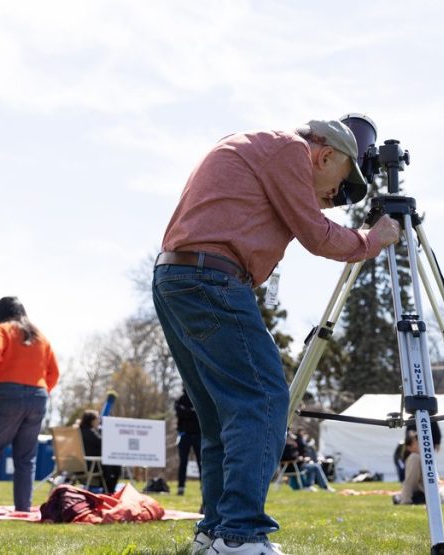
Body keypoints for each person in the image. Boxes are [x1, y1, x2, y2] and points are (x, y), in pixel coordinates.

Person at [152, 118, 399, 555]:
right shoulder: (289, 151)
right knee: (265, 399)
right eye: (338, 187)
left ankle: (214, 533)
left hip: (178, 276)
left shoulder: (254, 145)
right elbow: (317, 235)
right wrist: (372, 239)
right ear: (324, 155)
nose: (332, 202)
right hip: (212, 278)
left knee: (217, 417)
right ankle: (239, 535)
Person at [0, 297, 60, 514]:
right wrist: (40, 391)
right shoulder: (40, 336)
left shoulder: (2, 329)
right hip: (38, 396)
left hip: (7, 393)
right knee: (26, 458)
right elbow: (54, 372)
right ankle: (23, 510)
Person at [78, 410, 122, 493]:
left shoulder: (79, 431)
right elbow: (103, 444)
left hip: (78, 465)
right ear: (91, 420)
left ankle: (108, 490)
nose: (99, 421)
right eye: (97, 419)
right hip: (91, 465)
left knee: (110, 465)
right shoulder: (90, 432)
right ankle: (109, 492)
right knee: (116, 465)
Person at [175, 390, 202, 496]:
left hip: (198, 435)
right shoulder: (181, 399)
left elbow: (201, 412)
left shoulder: (199, 397)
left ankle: (203, 487)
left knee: (201, 463)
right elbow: (179, 412)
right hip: (184, 435)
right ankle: (181, 487)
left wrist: (187, 412)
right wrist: (193, 412)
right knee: (183, 463)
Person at [394, 434, 425, 505]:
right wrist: (406, 500)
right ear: (409, 447)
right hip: (431, 496)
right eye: (417, 442)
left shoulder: (422, 458)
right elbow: (410, 481)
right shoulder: (414, 457)